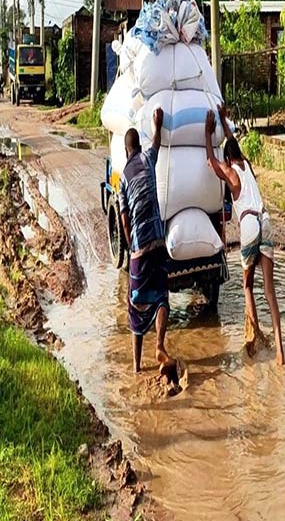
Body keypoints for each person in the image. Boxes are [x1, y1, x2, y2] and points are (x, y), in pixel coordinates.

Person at [204, 107, 285, 365]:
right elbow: (231, 142)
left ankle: (254, 338)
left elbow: (210, 162)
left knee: (247, 286)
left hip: (250, 225)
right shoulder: (247, 165)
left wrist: (207, 133)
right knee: (270, 293)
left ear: (227, 159)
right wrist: (225, 121)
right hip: (266, 219)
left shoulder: (229, 173)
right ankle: (281, 353)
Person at [119, 108, 180, 391]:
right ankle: (159, 344)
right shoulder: (147, 157)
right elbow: (156, 143)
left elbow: (122, 213)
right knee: (162, 296)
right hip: (158, 238)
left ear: (125, 150)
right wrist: (158, 124)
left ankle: (135, 366)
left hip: (141, 243)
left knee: (135, 301)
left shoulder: (123, 177)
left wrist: (130, 240)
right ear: (138, 147)